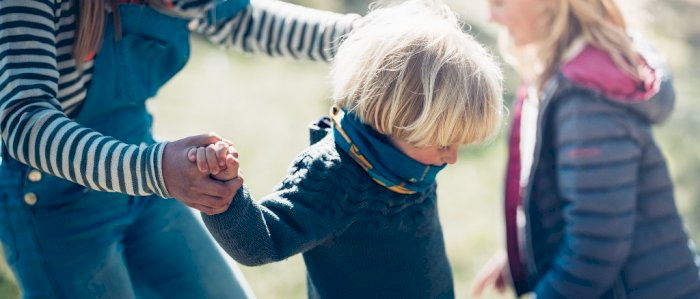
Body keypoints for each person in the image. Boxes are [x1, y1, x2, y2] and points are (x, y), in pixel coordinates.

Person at [0, 0, 360, 298]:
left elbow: (240, 19)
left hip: (144, 180)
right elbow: (24, 120)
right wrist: (155, 168)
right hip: (54, 205)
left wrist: (361, 37)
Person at [189, 0, 504, 297]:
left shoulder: (410, 161)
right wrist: (222, 194)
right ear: (396, 118)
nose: (452, 157)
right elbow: (260, 242)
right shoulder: (334, 179)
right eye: (446, 143)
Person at [472, 0, 700, 298]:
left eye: (499, 3)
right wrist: (526, 253)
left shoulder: (586, 100)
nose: (491, 16)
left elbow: (596, 246)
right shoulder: (566, 75)